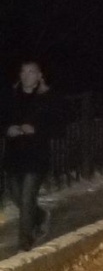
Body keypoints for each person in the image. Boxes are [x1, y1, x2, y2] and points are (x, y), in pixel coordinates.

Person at [1, 61, 56, 251]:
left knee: (26, 198)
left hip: (36, 154)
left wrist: (36, 129)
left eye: (32, 71)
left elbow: (58, 126)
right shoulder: (10, 96)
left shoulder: (47, 97)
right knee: (16, 196)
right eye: (23, 71)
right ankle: (40, 216)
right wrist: (7, 129)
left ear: (40, 75)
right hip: (14, 155)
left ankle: (25, 242)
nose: (27, 75)